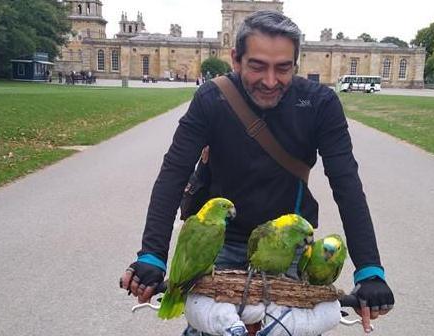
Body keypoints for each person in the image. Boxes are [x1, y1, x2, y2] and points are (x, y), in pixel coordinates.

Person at [121, 10, 394, 335]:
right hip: (217, 245)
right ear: (236, 59)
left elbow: (347, 184)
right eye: (257, 66)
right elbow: (173, 174)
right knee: (214, 328)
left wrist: (369, 270)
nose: (270, 80)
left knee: (286, 329)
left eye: (283, 68)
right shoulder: (211, 99)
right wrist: (152, 255)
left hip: (286, 248)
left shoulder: (320, 103)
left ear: (296, 62)